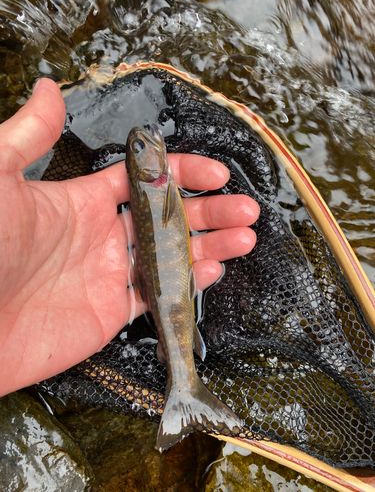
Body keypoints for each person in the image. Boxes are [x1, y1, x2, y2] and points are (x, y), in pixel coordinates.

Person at [0, 78, 260, 397]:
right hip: (166, 287)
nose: (145, 140)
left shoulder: (156, 188)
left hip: (166, 286)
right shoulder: (157, 187)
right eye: (140, 148)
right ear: (146, 174)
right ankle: (186, 387)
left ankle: (185, 384)